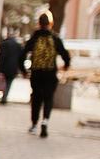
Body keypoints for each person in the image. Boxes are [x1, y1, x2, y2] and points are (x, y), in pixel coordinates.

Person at [24, 10, 70, 138]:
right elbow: (65, 54)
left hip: (36, 74)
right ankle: (45, 121)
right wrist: (66, 66)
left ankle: (34, 124)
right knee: (48, 98)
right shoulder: (55, 38)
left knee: (36, 99)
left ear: (39, 23)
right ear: (50, 23)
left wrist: (23, 70)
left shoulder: (35, 38)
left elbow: (23, 54)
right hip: (50, 74)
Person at [0, 28, 23, 103]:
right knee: (8, 83)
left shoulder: (4, 44)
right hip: (13, 67)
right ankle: (4, 97)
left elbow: (1, 56)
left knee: (0, 82)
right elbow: (21, 57)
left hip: (4, 66)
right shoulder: (18, 45)